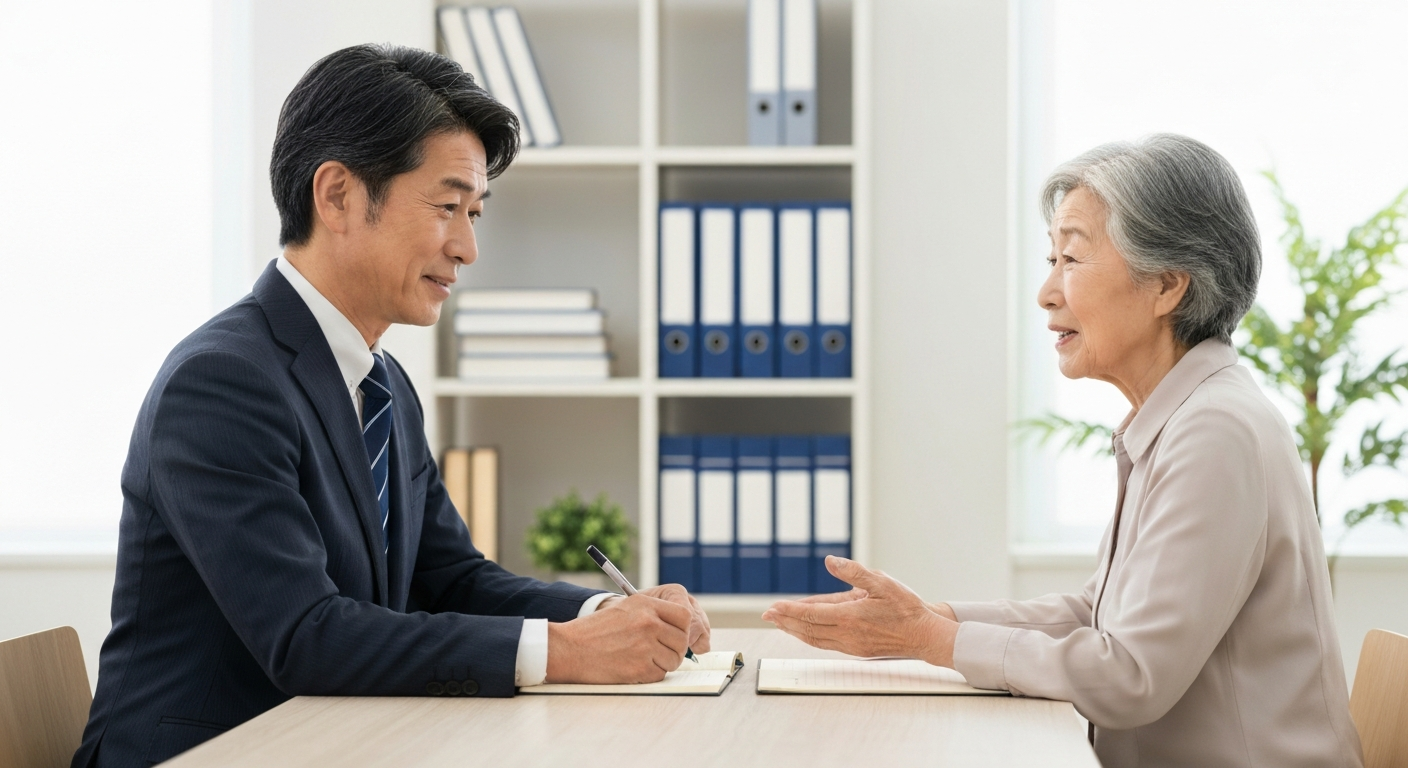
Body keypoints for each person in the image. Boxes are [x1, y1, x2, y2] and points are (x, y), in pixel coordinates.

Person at [72, 44, 709, 768]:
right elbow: (306, 637)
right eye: (446, 207)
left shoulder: (382, 384)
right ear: (338, 195)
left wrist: (604, 614)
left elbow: (448, 579)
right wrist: (565, 651)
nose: (467, 247)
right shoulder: (221, 382)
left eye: (474, 212)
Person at [763, 134, 1363, 767]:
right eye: (1051, 260)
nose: (1047, 292)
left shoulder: (1217, 432)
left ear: (1167, 285)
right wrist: (929, 618)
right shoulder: (1185, 415)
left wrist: (932, 639)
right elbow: (1096, 615)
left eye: (1072, 259)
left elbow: (1130, 675)